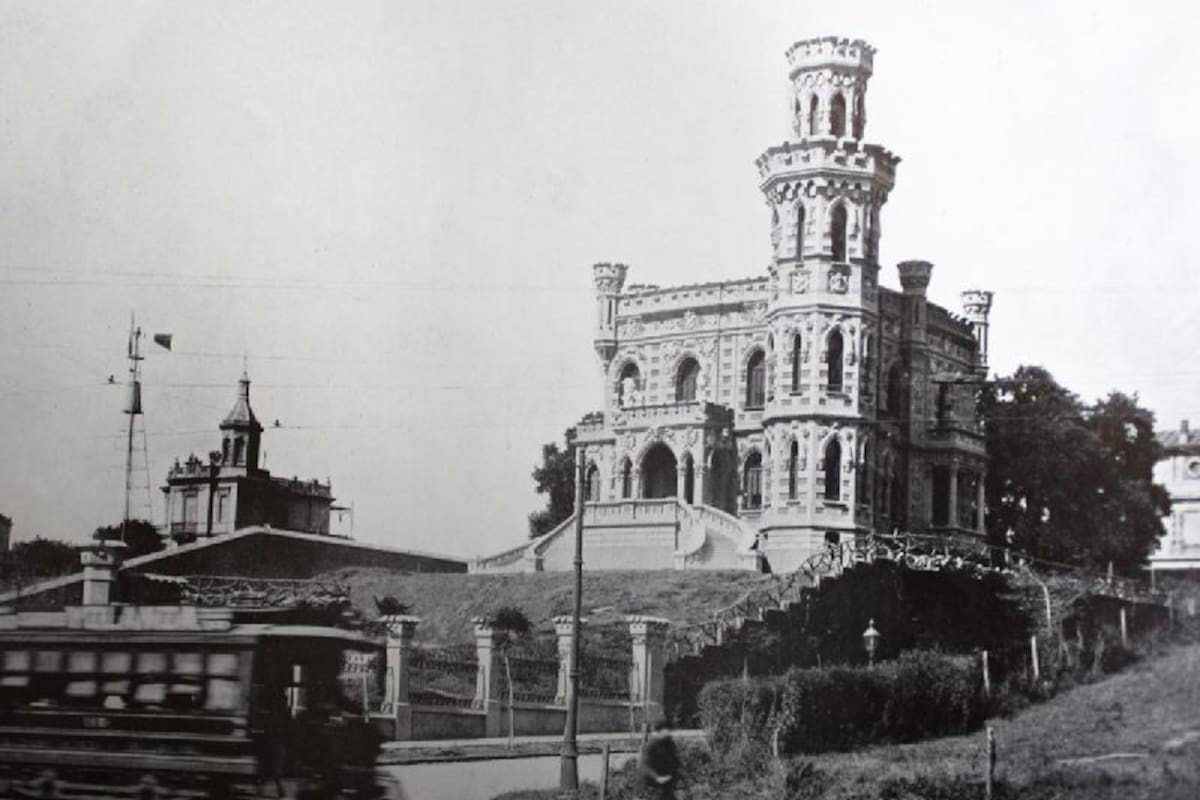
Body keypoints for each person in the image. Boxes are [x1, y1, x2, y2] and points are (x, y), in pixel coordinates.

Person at [639, 718, 681, 800]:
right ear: (661, 730)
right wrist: (657, 777)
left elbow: (674, 760)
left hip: (666, 784)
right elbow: (645, 765)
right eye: (668, 730)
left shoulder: (669, 743)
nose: (670, 732)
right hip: (652, 786)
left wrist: (676, 772)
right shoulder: (650, 745)